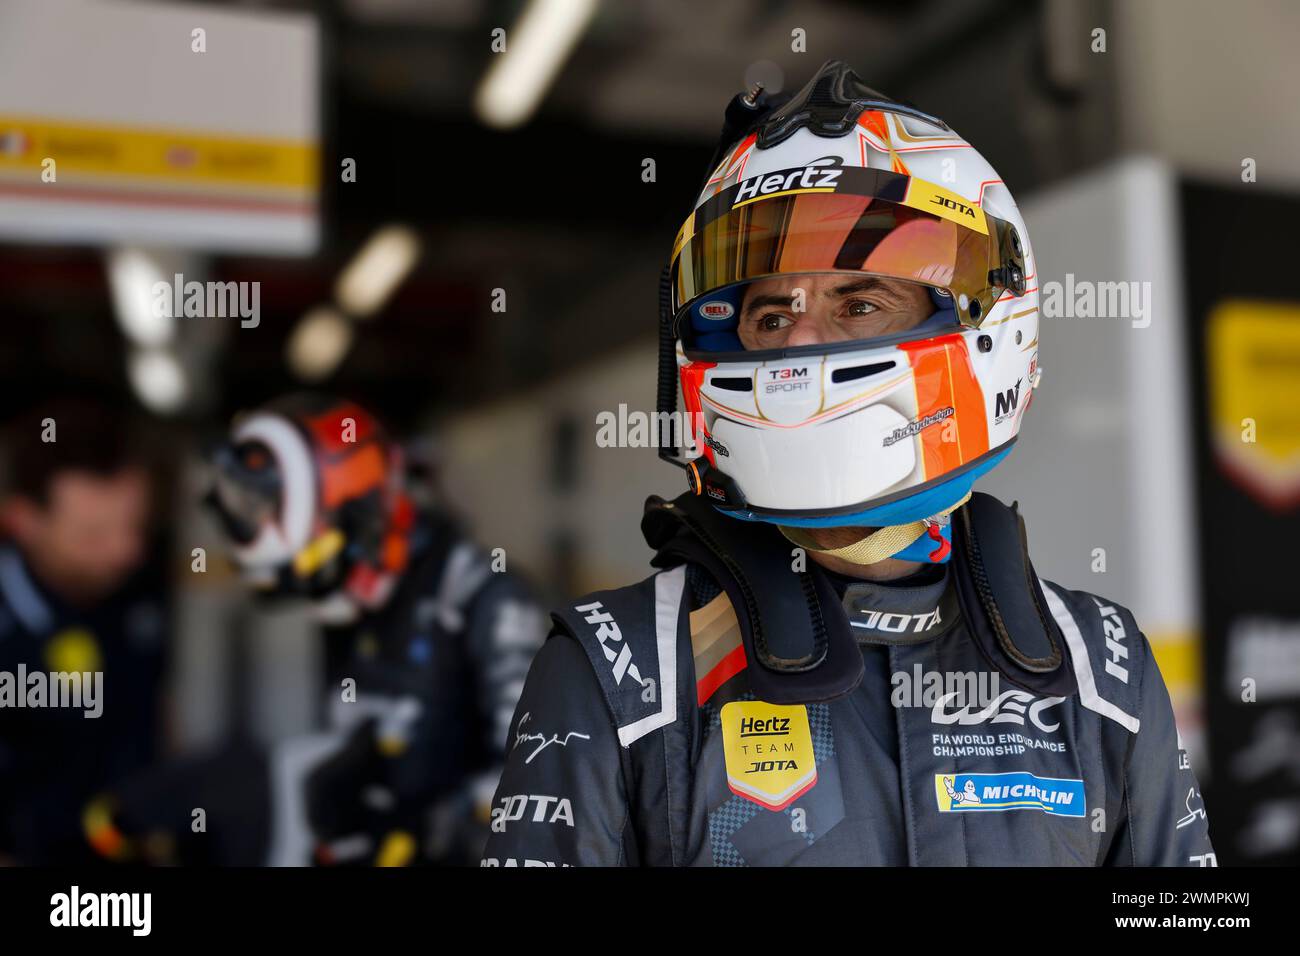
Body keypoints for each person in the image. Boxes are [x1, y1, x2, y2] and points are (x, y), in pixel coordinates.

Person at [482, 61, 1215, 866]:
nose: (798, 344)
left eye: (859, 304)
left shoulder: (1100, 666)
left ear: (994, 323)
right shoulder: (616, 670)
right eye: (769, 313)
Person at [200, 394, 546, 865]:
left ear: (359, 521)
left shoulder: (488, 597)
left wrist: (434, 826)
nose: (316, 597)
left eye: (316, 570)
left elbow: (543, 784)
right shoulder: (349, 606)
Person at [0, 398, 169, 864]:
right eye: (93, 535)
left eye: (136, 526)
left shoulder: (144, 587)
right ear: (22, 522)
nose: (124, 551)